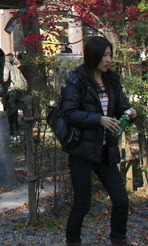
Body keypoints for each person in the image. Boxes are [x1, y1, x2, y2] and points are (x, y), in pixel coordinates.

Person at [59, 35, 136, 246]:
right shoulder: (77, 80)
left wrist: (130, 111)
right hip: (81, 150)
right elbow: (69, 113)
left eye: (110, 55)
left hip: (105, 150)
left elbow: (120, 104)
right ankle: (73, 242)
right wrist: (98, 119)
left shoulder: (112, 80)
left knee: (121, 199)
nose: (108, 59)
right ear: (94, 56)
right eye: (104, 55)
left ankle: (118, 239)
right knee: (83, 203)